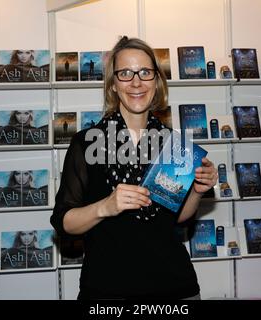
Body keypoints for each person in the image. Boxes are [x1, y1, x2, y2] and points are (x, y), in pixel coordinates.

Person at [50, 36, 218, 300]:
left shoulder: (174, 144)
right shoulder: (86, 143)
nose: (136, 82)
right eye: (125, 73)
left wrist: (197, 190)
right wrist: (106, 206)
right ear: (114, 85)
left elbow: (178, 217)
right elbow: (63, 223)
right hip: (107, 290)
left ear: (156, 82)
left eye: (145, 72)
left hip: (174, 287)